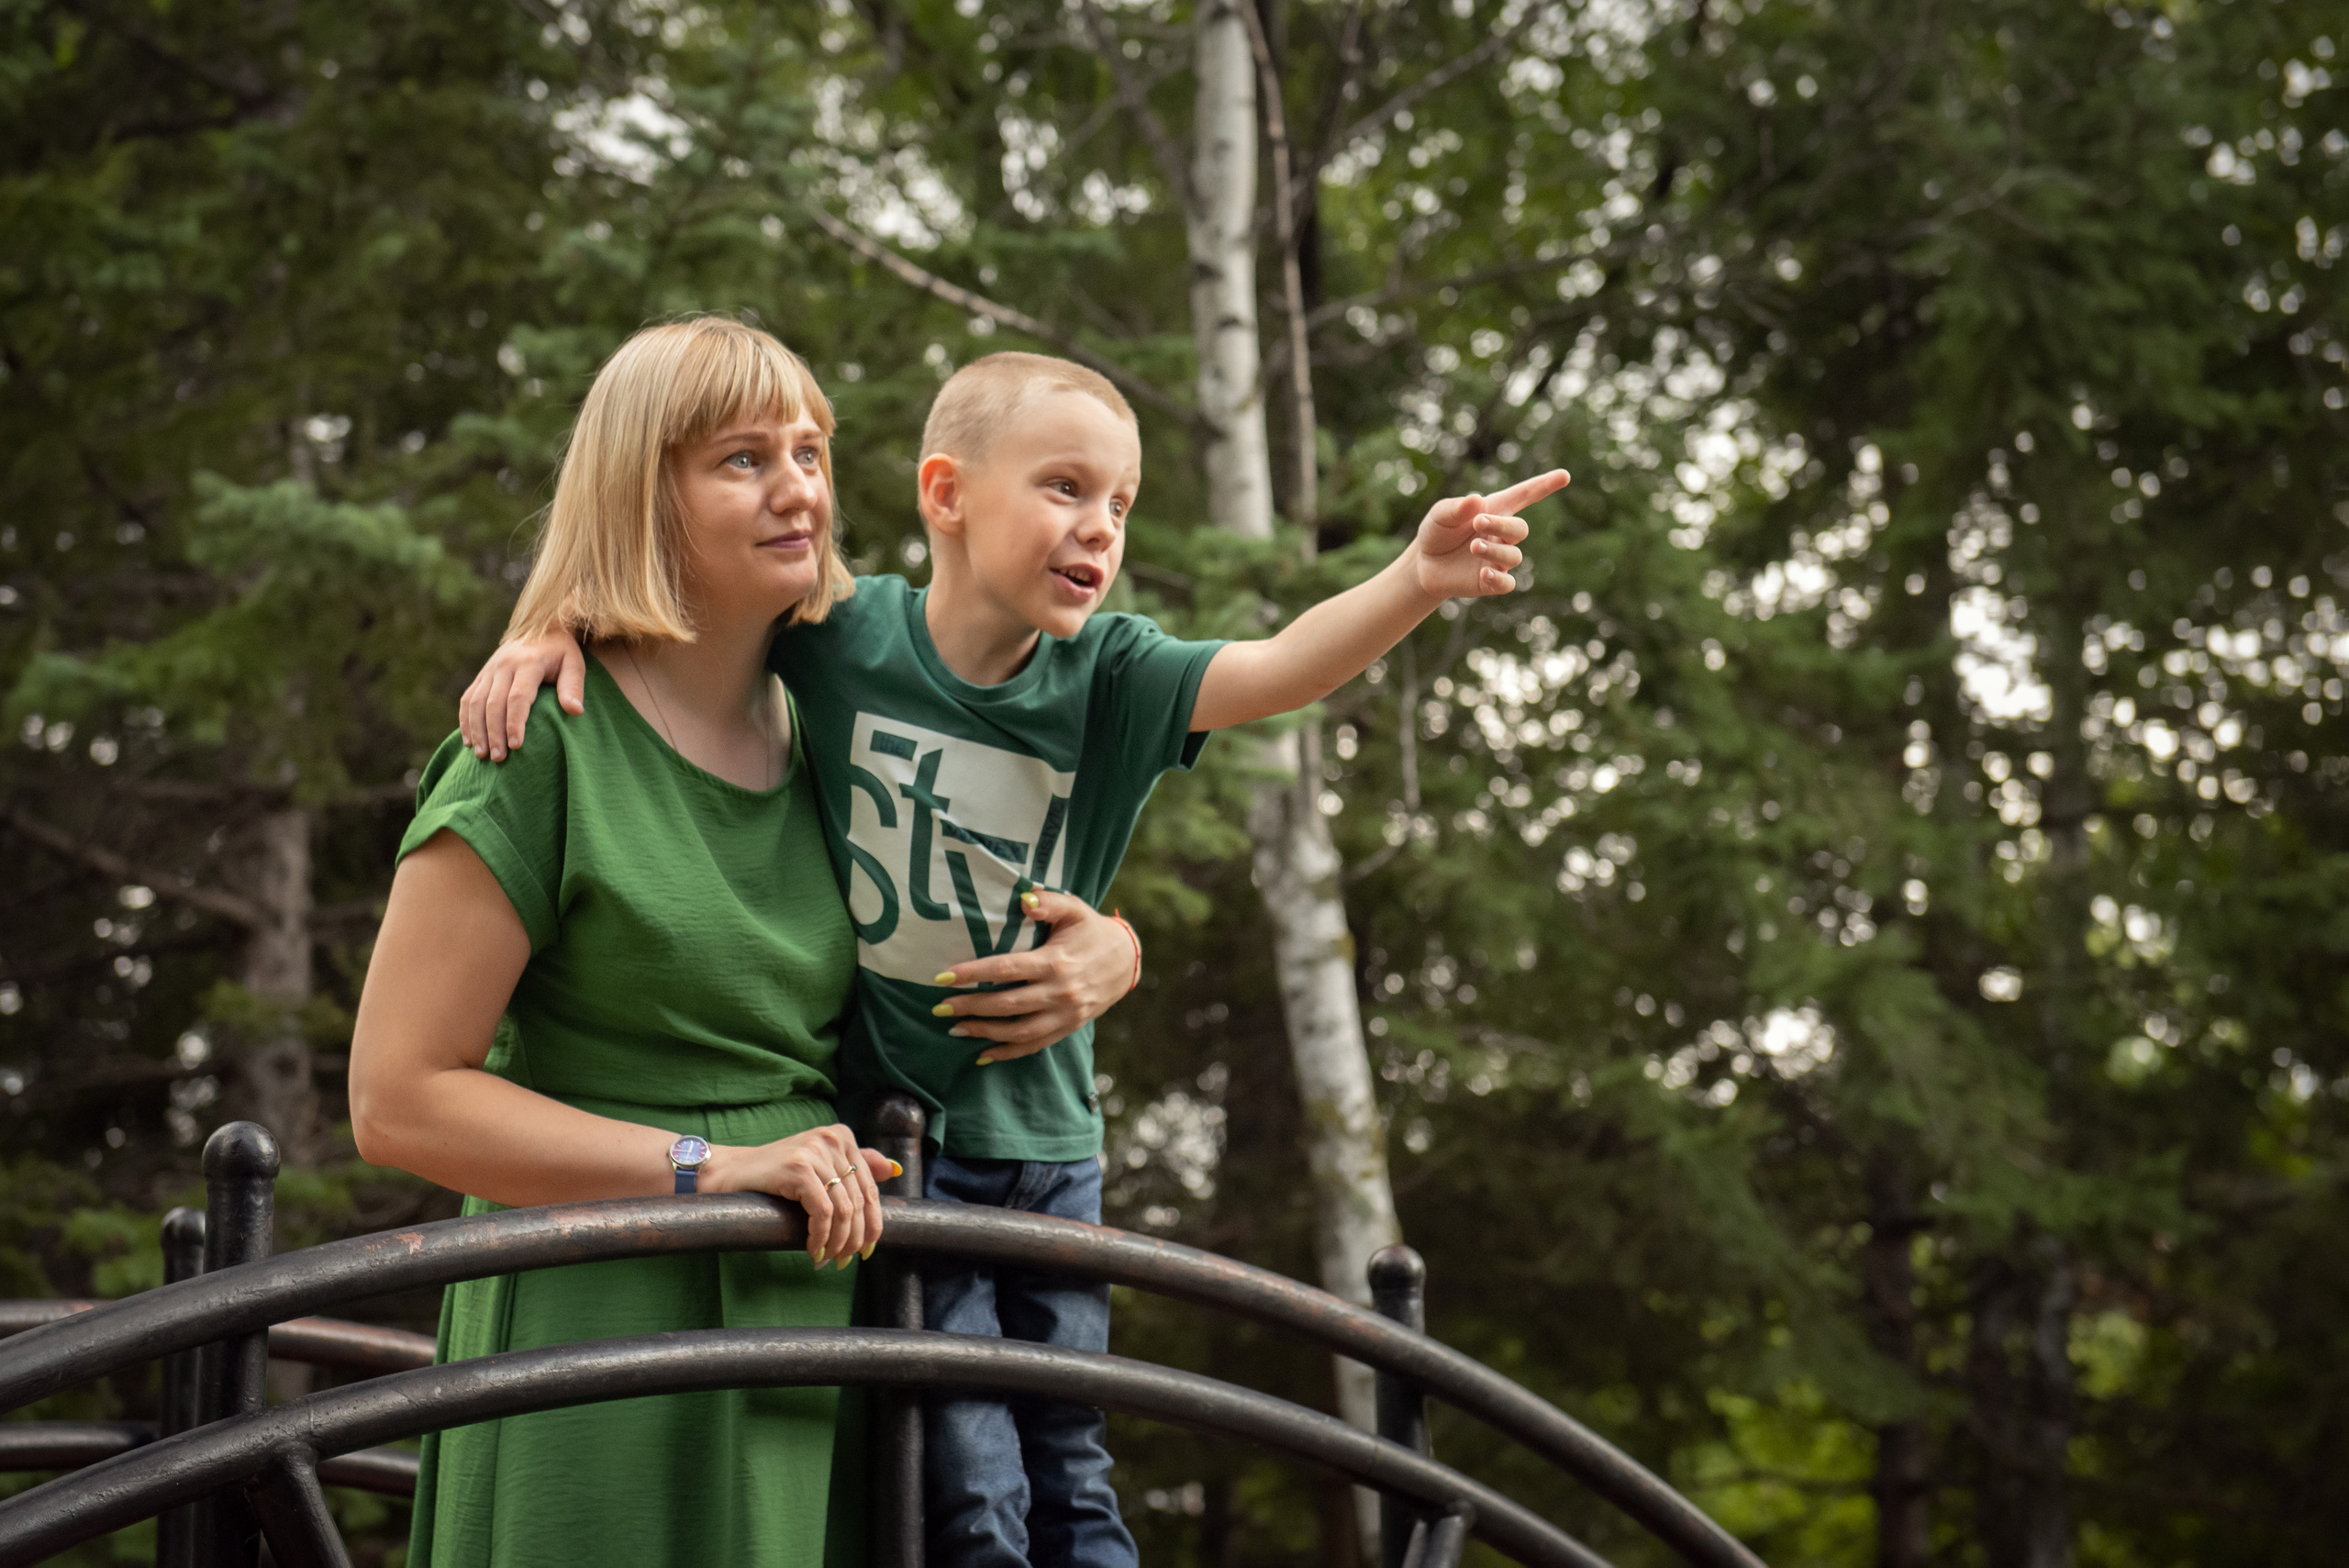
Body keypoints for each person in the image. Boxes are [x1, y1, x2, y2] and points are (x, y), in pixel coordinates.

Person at [460, 348, 1570, 1568]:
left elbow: (1274, 670)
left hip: (1050, 1146)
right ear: (946, 494)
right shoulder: (841, 637)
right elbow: (670, 591)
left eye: (1120, 505)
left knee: (1073, 1467)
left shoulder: (1112, 674)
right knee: (969, 1484)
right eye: (1062, 488)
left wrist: (1413, 579)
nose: (1097, 527)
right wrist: (542, 631)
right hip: (905, 1145)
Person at [350, 322, 1141, 1568]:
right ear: (641, 492)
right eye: (742, 459)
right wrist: (706, 1169)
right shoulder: (538, 742)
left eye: (812, 451)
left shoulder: (834, 724)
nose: (800, 488)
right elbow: (397, 1102)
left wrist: (1114, 949)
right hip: (601, 1317)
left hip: (815, 1321)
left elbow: (982, 876)